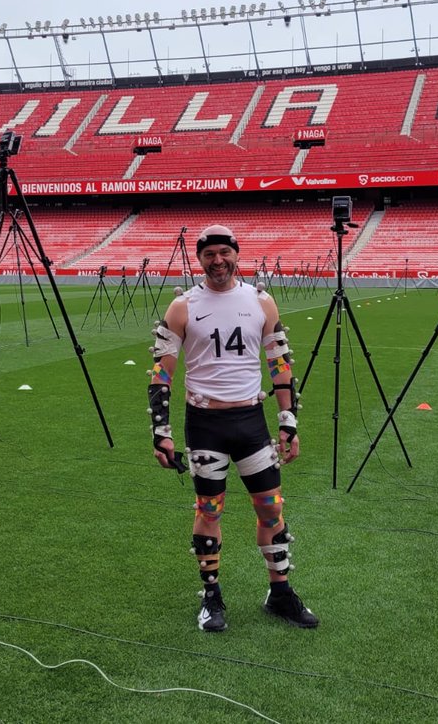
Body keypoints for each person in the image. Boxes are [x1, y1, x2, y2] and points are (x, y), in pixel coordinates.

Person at [148, 224, 319, 631]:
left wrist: (288, 422)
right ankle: (211, 597)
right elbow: (161, 373)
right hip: (205, 423)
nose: (218, 261)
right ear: (200, 259)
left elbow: (280, 364)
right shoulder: (182, 306)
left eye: (224, 252)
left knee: (271, 508)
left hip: (250, 422)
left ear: (236, 254)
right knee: (209, 510)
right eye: (210, 255)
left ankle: (280, 594)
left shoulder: (261, 302)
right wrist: (161, 430)